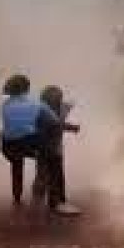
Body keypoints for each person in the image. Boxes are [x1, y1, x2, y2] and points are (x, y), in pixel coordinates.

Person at [0, 74, 79, 215]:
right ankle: (58, 202)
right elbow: (55, 123)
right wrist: (72, 128)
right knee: (55, 160)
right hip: (29, 144)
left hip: (8, 146)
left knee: (18, 160)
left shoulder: (5, 105)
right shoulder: (37, 105)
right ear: (27, 89)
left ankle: (17, 195)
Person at [37, 85, 82, 216]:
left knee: (49, 172)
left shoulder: (60, 108)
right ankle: (57, 202)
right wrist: (73, 127)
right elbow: (57, 125)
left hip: (50, 148)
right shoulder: (43, 112)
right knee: (53, 174)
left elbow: (67, 107)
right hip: (47, 148)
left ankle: (50, 197)